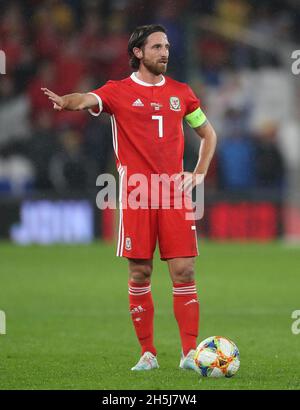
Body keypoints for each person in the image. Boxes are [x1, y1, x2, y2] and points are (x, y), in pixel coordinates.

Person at [42, 24, 217, 372]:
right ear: (138, 52)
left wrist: (197, 174)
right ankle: (148, 354)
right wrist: (66, 102)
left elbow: (208, 134)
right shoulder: (118, 91)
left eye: (166, 46)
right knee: (140, 272)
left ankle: (189, 353)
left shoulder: (182, 93)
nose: (164, 52)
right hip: (136, 194)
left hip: (174, 195)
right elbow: (87, 99)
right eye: (156, 47)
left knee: (184, 270)